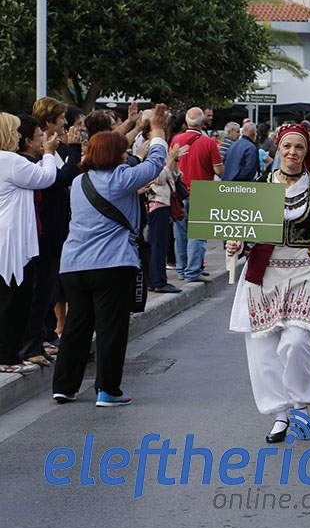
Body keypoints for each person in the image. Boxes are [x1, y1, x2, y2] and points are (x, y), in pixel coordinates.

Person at [226, 124, 310, 442]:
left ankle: (300, 403)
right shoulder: (260, 185)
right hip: (263, 273)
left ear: (306, 152)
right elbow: (241, 226)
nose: (292, 152)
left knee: (296, 342)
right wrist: (235, 243)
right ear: (279, 149)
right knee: (263, 351)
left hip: (303, 271)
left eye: (299, 147)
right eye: (287, 146)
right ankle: (280, 415)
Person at [50, 108, 170, 403]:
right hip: (111, 264)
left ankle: (64, 386)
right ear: (117, 156)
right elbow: (156, 162)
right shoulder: (121, 179)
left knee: (77, 325)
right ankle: (107, 390)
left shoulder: (80, 182)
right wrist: (157, 129)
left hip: (73, 265)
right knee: (110, 328)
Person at [19, 106, 82, 366]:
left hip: (52, 233)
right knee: (39, 293)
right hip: (42, 236)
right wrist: (71, 150)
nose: (65, 123)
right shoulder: (28, 163)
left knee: (46, 291)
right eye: (61, 118)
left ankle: (40, 340)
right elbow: (58, 178)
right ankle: (32, 345)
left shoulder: (46, 156)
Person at [0, 114, 60, 374]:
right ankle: (6, 357)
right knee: (12, 300)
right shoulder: (10, 160)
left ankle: (12, 355)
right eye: (14, 131)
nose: (17, 136)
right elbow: (46, 177)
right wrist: (49, 153)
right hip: (12, 241)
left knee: (16, 299)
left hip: (12, 238)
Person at [171, 107, 224, 283]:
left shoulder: (176, 140)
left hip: (179, 193)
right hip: (202, 193)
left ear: (186, 122)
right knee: (198, 235)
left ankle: (181, 269)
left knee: (180, 235)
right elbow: (219, 170)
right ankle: (193, 271)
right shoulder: (208, 143)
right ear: (202, 123)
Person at [145, 140, 187, 294]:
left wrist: (174, 160)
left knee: (159, 243)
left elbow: (176, 176)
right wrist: (170, 160)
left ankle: (154, 280)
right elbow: (159, 178)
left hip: (164, 204)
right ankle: (158, 281)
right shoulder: (149, 160)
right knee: (158, 244)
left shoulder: (162, 159)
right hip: (157, 204)